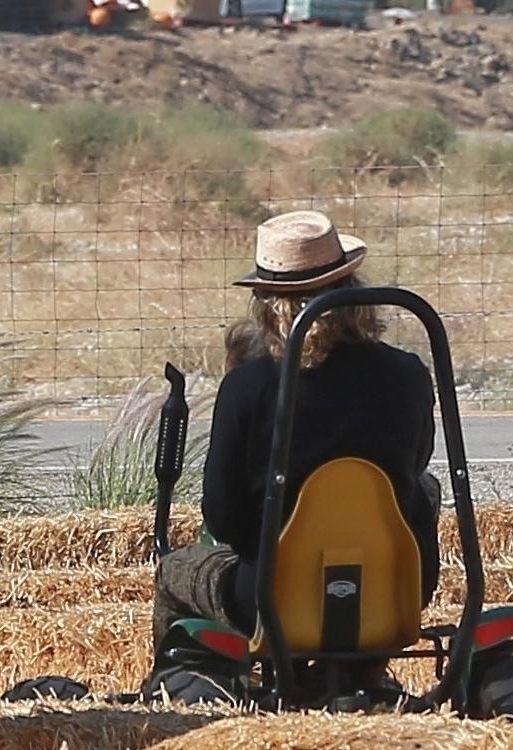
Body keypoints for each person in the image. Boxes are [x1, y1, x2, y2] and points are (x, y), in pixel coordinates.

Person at [150, 210, 441, 672]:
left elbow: (222, 515)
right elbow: (418, 463)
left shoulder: (248, 386)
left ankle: (186, 698)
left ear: (267, 302)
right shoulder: (409, 374)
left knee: (174, 571)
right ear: (354, 289)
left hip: (269, 598)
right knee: (423, 487)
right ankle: (362, 668)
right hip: (396, 588)